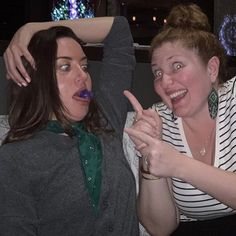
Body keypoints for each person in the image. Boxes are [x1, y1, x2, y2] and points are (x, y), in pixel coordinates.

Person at [0, 16, 139, 235]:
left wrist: (32, 27)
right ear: (36, 80)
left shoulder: (105, 120)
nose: (83, 75)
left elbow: (118, 31)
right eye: (65, 66)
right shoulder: (14, 159)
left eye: (84, 66)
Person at [123, 3, 236, 236]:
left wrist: (176, 164)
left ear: (212, 69)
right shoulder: (157, 121)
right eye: (157, 72)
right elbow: (160, 228)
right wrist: (150, 160)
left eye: (177, 66)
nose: (164, 82)